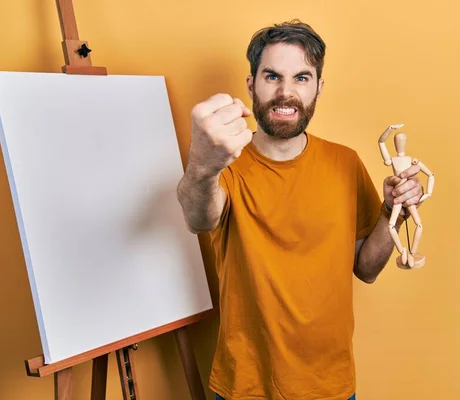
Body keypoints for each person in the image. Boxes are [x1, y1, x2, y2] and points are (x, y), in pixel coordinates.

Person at [177, 19, 424, 400]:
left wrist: (393, 211)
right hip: (244, 386)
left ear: (319, 87)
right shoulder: (225, 164)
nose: (286, 92)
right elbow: (198, 218)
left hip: (330, 386)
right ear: (251, 84)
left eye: (302, 78)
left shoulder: (345, 163)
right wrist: (203, 165)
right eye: (272, 76)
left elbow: (367, 268)